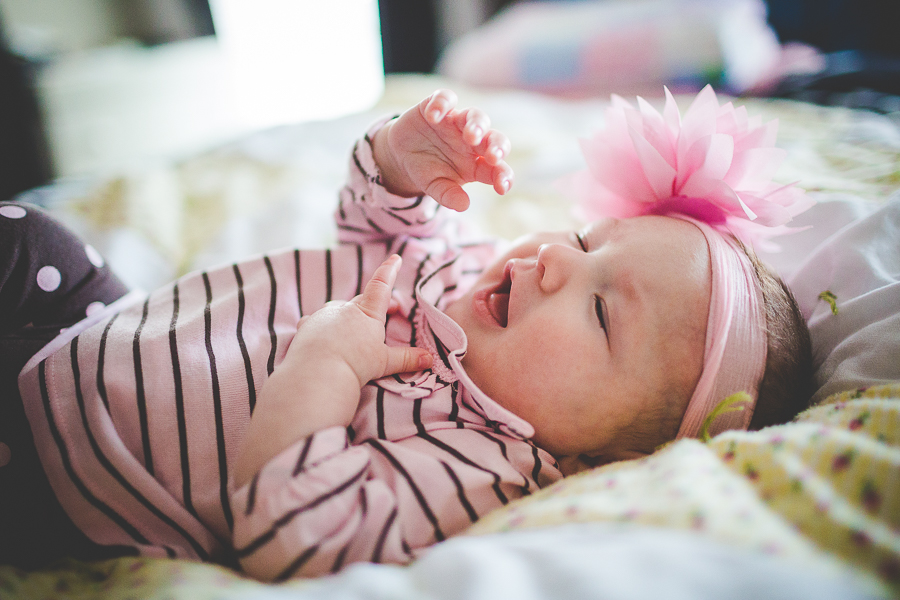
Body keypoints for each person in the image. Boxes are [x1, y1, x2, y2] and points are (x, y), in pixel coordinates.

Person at [1, 87, 814, 581]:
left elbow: (296, 537)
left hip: (81, 464)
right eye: (588, 241)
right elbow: (374, 223)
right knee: (29, 236)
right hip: (101, 320)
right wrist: (403, 158)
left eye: (603, 312)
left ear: (609, 455)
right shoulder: (463, 276)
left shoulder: (476, 463)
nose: (557, 262)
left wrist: (326, 366)